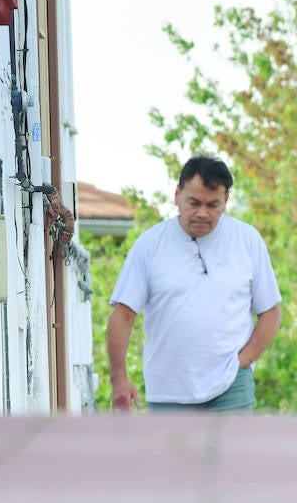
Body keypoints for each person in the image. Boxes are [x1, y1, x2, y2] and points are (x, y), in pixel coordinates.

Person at [107, 155, 282, 412]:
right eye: (194, 203)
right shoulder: (150, 245)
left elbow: (271, 311)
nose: (202, 213)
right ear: (177, 195)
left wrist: (242, 362)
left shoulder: (247, 240)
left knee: (231, 454)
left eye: (213, 205)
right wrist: (118, 379)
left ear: (226, 201)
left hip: (231, 386)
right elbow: (122, 315)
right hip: (168, 391)